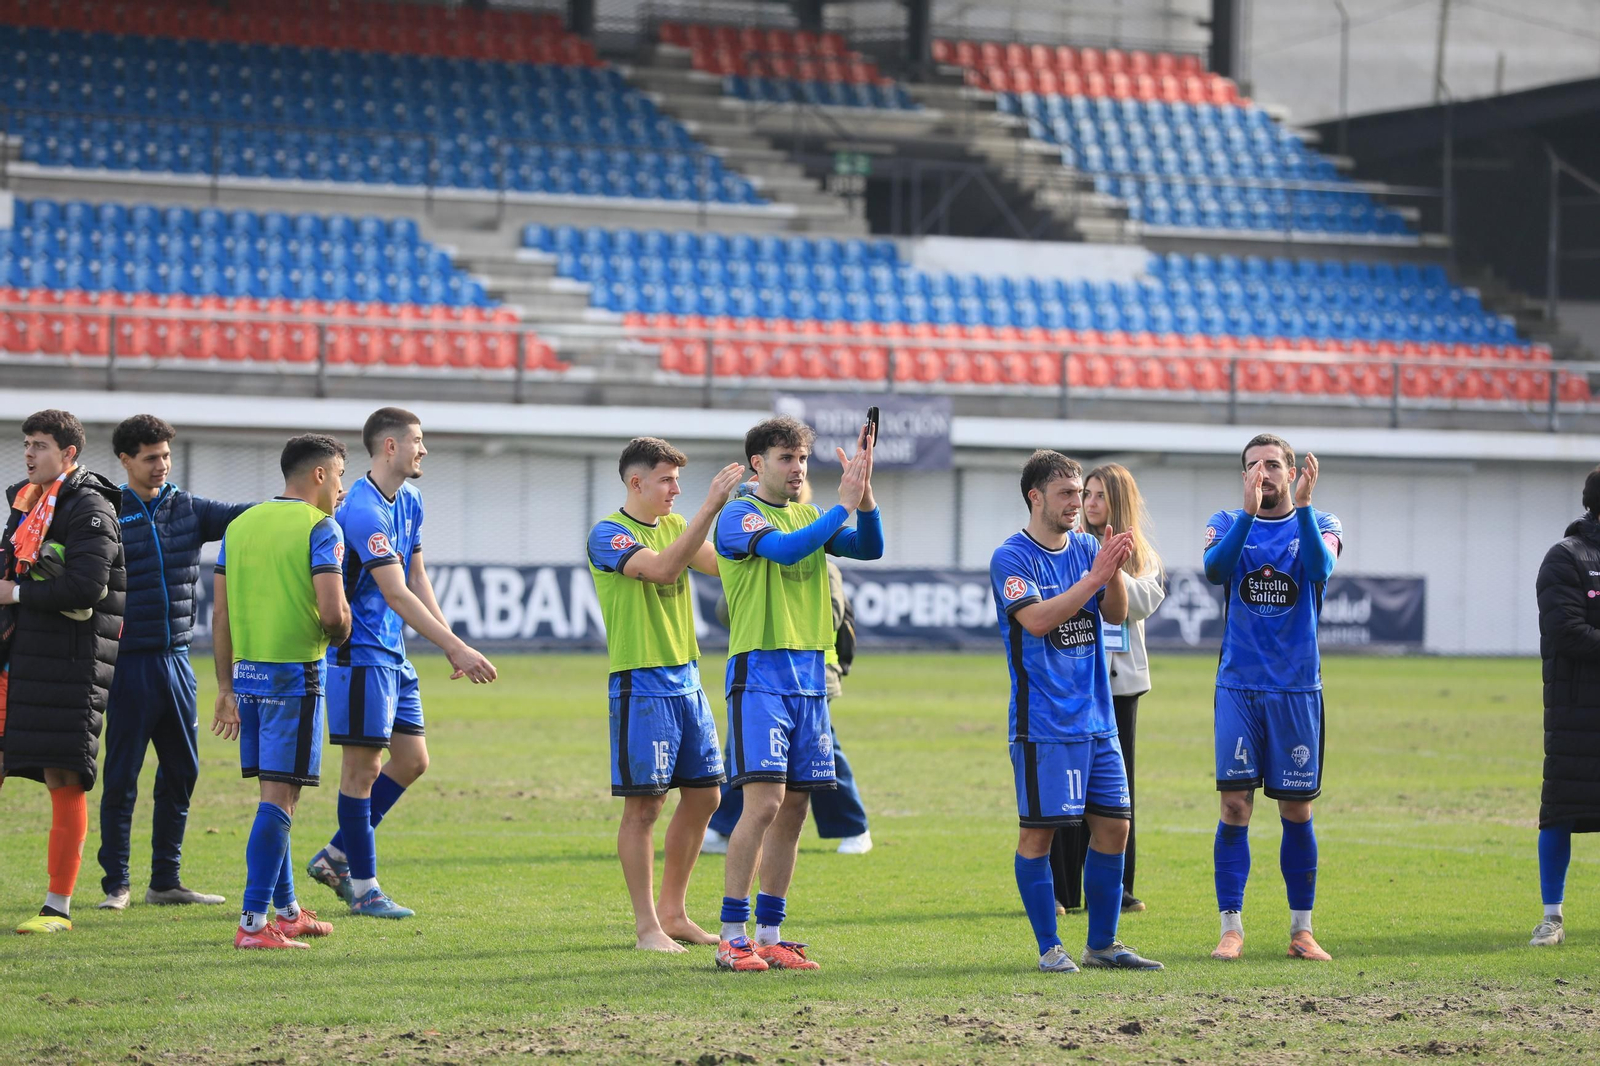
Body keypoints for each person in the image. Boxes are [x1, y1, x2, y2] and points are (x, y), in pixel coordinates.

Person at [304, 408, 497, 921]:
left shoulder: (410, 500)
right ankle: (364, 888)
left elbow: (416, 576)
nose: (423, 449)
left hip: (393, 656)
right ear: (389, 447)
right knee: (362, 770)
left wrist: (449, 639)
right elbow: (392, 592)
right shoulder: (363, 509)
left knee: (412, 760)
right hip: (359, 654)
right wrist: (455, 649)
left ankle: (337, 855)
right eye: (417, 440)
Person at [711, 416, 883, 972]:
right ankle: (731, 935)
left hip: (809, 680)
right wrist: (844, 504)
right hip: (759, 675)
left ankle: (771, 934)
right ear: (758, 463)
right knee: (761, 805)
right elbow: (785, 552)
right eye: (787, 459)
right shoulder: (738, 514)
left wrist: (866, 498)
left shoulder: (812, 513)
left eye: (803, 460)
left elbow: (870, 548)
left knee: (794, 810)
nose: (798, 469)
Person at [990, 449, 1162, 974]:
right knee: (1038, 835)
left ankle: (1103, 944)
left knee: (1114, 830)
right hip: (1044, 723)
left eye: (1080, 492)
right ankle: (1049, 947)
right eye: (1066, 493)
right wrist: (1091, 578)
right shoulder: (1011, 557)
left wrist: (1108, 570)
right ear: (1035, 496)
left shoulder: (1088, 545)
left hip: (1098, 719)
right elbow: (1038, 620)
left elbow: (1114, 613)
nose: (1077, 503)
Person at [587, 437, 745, 951]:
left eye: (679, 480)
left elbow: (724, 565)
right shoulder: (607, 534)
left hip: (688, 680)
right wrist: (709, 508)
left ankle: (675, 914)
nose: (676, 490)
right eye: (666, 480)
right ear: (636, 482)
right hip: (642, 684)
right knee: (645, 808)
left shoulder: (676, 524)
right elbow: (662, 570)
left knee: (705, 796)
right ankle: (646, 927)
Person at [97, 414, 252, 911]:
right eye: (151, 457)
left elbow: (247, 517)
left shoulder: (187, 508)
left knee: (182, 771)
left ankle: (165, 881)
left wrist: (300, 504)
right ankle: (116, 885)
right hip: (126, 664)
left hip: (178, 662)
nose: (162, 464)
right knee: (121, 776)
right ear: (126, 460)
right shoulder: (104, 512)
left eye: (165, 455)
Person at [1203, 433, 1341, 962]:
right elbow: (1216, 570)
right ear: (1243, 476)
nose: (1263, 473)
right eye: (1252, 465)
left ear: (1291, 472)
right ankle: (1231, 927)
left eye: (1273, 464)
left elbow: (1318, 570)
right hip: (1239, 686)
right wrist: (1245, 515)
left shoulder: (1322, 523)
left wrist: (1303, 509)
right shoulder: (1224, 521)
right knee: (1235, 805)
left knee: (1296, 810)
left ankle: (1301, 930)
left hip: (1297, 689)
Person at [211, 434, 350, 949]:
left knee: (276, 793)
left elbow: (220, 614)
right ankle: (252, 924)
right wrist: (342, 628)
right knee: (281, 798)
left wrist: (225, 687)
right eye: (339, 475)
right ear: (319, 474)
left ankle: (288, 910)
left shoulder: (240, 525)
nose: (341, 487)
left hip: (246, 679)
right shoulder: (321, 528)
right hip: (295, 678)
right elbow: (334, 614)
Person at [1, 409, 127, 934]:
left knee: (63, 776)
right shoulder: (23, 501)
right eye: (26, 443)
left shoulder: (91, 507)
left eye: (40, 445)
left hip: (71, 662)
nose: (29, 453)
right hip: (21, 654)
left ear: (69, 455)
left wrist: (18, 592)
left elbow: (87, 588)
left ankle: (57, 907)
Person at [703, 482, 872, 857]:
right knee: (748, 759)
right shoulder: (747, 539)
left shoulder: (820, 557)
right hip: (765, 673)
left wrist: (861, 501)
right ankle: (723, 827)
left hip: (815, 673)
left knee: (820, 762)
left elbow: (864, 555)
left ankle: (854, 825)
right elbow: (725, 609)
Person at [1051, 464, 1164, 915]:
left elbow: (1139, 604)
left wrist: (1111, 567)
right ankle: (1061, 889)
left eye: (1099, 495)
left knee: (1118, 789)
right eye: (1087, 494)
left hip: (1122, 687)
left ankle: (1119, 887)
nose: (1090, 503)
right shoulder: (1068, 547)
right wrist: (1095, 571)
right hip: (1075, 681)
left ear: (1119, 501)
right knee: (1066, 783)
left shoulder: (1145, 557)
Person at [1529, 464, 1600, 947]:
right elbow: (1567, 631)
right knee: (1561, 811)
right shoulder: (1566, 557)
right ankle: (1552, 917)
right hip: (1579, 711)